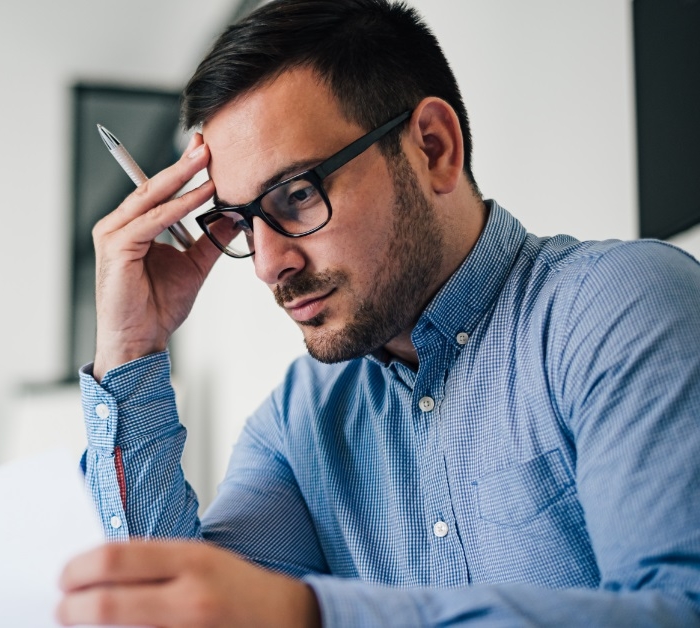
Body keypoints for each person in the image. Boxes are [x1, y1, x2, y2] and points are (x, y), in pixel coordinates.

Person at [54, 0, 700, 626]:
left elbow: (681, 608)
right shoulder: (299, 420)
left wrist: (313, 615)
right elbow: (171, 615)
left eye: (297, 194)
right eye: (244, 222)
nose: (267, 263)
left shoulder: (622, 305)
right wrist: (132, 347)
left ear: (433, 148)